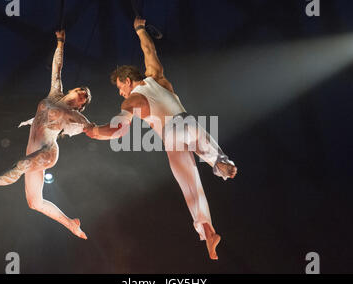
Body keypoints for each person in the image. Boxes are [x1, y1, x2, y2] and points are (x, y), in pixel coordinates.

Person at [84, 18, 238, 259]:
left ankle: (206, 227)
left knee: (190, 186)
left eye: (119, 87)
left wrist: (93, 131)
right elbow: (149, 49)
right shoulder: (156, 77)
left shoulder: (132, 100)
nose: (120, 92)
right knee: (203, 145)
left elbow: (117, 131)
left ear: (127, 80)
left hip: (171, 137)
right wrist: (140, 29)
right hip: (187, 123)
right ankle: (219, 166)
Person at [0, 30, 92, 240]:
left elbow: (90, 127)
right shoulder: (55, 93)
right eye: (81, 92)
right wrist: (61, 42)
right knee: (34, 203)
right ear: (72, 90)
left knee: (21, 165)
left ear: (80, 106)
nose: (80, 97)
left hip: (47, 151)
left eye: (83, 100)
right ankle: (71, 224)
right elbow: (57, 68)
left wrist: (107, 129)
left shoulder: (72, 115)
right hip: (32, 148)